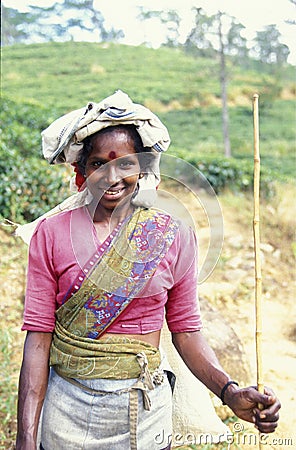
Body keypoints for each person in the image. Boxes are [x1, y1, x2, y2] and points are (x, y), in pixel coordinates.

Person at [16, 91, 280, 450]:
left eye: (125, 163)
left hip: (145, 417)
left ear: (142, 168)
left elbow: (186, 331)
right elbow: (39, 337)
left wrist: (229, 392)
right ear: (81, 171)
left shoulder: (173, 237)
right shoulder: (52, 234)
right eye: (98, 164)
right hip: (67, 417)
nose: (113, 176)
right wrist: (26, 437)